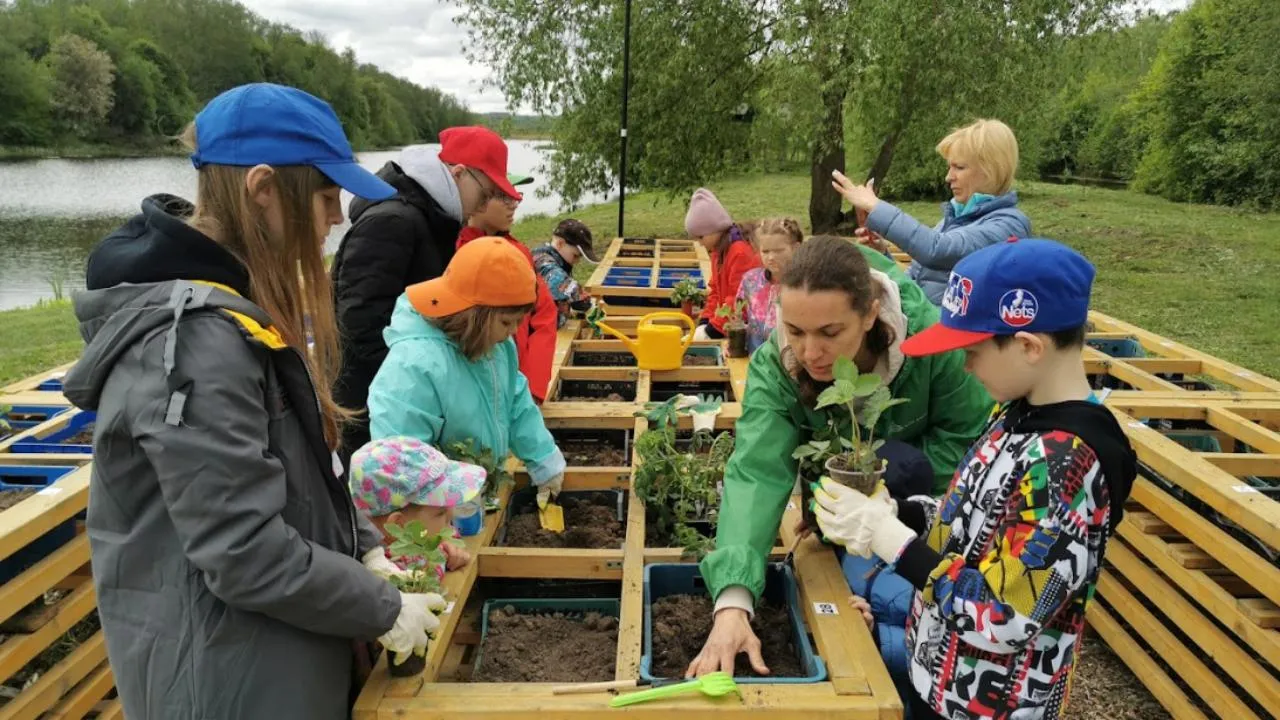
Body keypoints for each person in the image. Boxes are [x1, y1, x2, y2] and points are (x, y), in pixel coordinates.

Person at [61, 83, 442, 720]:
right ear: (263, 189)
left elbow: (300, 473)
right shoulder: (194, 345)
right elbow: (244, 551)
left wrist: (364, 545)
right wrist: (379, 606)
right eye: (324, 197)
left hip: (274, 658)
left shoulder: (235, 312)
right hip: (225, 682)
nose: (338, 217)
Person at [815, 238, 1137, 720]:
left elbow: (1004, 616)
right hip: (939, 680)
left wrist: (894, 543)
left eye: (972, 351)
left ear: (1028, 346)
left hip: (989, 707)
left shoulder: (1067, 463)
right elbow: (973, 517)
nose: (964, 365)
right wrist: (899, 513)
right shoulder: (1015, 413)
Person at [686, 236, 993, 678]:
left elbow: (967, 439)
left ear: (869, 315)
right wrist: (733, 601)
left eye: (830, 333)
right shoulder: (779, 362)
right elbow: (757, 468)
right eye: (795, 331)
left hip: (922, 512)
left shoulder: (931, 344)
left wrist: (874, 490)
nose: (810, 352)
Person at [331, 125, 520, 467]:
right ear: (460, 174)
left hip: (413, 404)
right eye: (486, 192)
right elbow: (359, 323)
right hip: (376, 408)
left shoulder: (432, 220)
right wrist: (428, 378)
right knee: (383, 508)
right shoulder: (393, 222)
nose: (486, 204)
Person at [367, 236, 566, 512]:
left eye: (519, 322)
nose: (512, 332)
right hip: (436, 515)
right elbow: (400, 458)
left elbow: (515, 401)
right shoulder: (415, 366)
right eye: (507, 322)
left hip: (478, 500)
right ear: (474, 315)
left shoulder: (496, 348)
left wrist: (544, 458)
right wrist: (443, 509)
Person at [832, 118, 1031, 305]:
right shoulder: (953, 219)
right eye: (949, 167)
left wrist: (876, 207)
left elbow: (936, 250)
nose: (948, 177)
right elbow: (911, 286)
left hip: (956, 337)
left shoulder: (1009, 225)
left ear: (991, 170)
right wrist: (882, 254)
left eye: (959, 167)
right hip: (923, 329)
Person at [455, 177, 559, 403]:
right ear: (477, 197)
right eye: (503, 196)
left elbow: (545, 314)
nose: (514, 203)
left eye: (515, 195)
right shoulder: (455, 253)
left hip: (518, 388)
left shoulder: (518, 252)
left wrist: (533, 388)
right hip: (476, 393)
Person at [349, 436, 481, 587]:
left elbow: (444, 534)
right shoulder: (384, 576)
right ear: (397, 525)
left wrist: (450, 546)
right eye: (440, 513)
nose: (452, 514)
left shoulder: (423, 537)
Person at [684, 187, 761, 340]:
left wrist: (713, 330)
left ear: (714, 229)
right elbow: (716, 292)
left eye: (700, 237)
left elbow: (740, 299)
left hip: (747, 328)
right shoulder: (718, 251)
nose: (699, 243)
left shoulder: (739, 253)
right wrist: (705, 321)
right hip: (731, 324)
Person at [734, 217, 804, 353]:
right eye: (765, 251)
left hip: (791, 363)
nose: (771, 257)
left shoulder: (804, 284)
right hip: (755, 361)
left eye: (778, 251)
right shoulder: (750, 281)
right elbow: (738, 319)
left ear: (796, 248)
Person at [531, 219, 599, 327]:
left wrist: (572, 310)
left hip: (548, 326)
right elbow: (556, 281)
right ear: (560, 243)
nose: (577, 261)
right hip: (532, 332)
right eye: (575, 256)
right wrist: (585, 302)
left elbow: (558, 298)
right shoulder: (541, 258)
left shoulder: (559, 261)